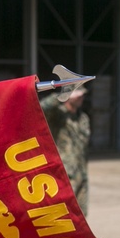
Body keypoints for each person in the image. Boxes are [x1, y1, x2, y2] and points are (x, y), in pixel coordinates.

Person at [40, 87, 91, 215]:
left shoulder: (83, 118)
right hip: (64, 174)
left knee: (81, 217)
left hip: (81, 173)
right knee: (65, 215)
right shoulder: (57, 115)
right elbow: (41, 107)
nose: (81, 98)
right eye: (78, 95)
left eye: (82, 95)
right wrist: (62, 96)